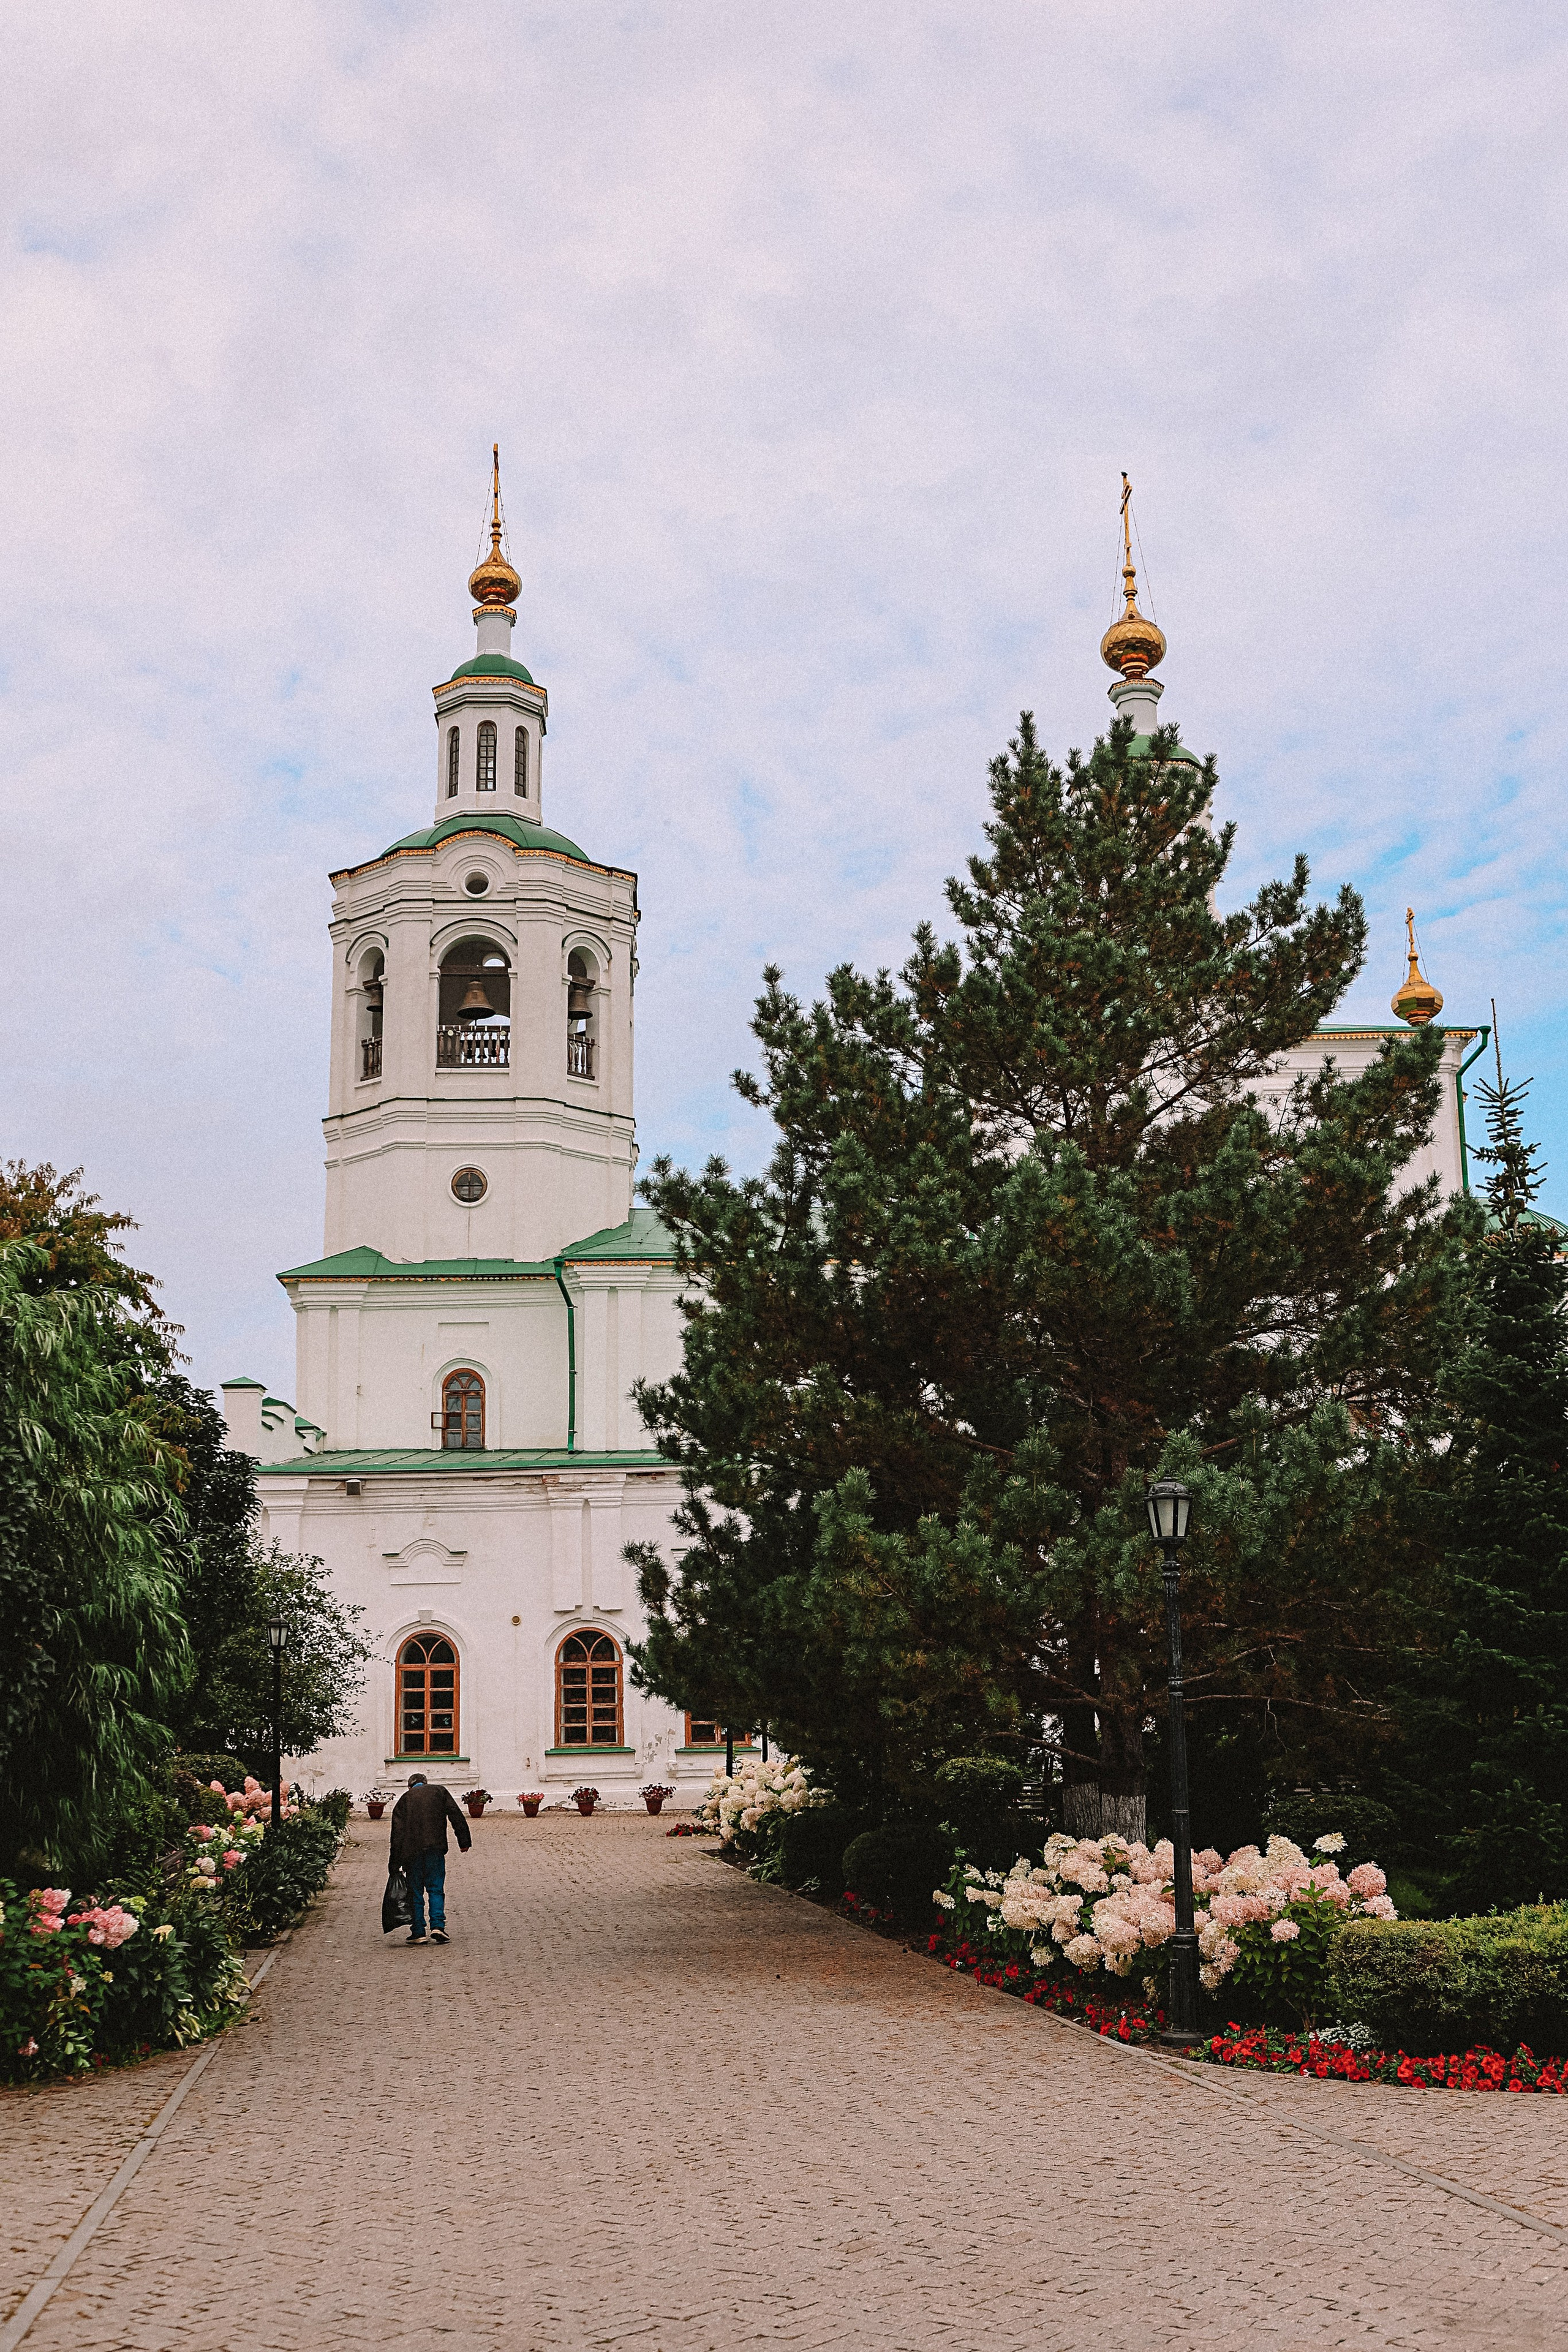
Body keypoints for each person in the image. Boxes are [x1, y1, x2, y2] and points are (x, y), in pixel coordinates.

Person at [388, 1773, 472, 1945]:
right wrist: (464, 1841)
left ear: (410, 1786)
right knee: (436, 1888)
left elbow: (397, 1834)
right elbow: (456, 1815)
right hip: (436, 1849)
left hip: (412, 1854)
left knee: (415, 1891)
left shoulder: (405, 1799)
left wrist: (394, 1863)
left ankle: (418, 1932)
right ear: (425, 1783)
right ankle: (438, 1927)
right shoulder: (439, 1792)